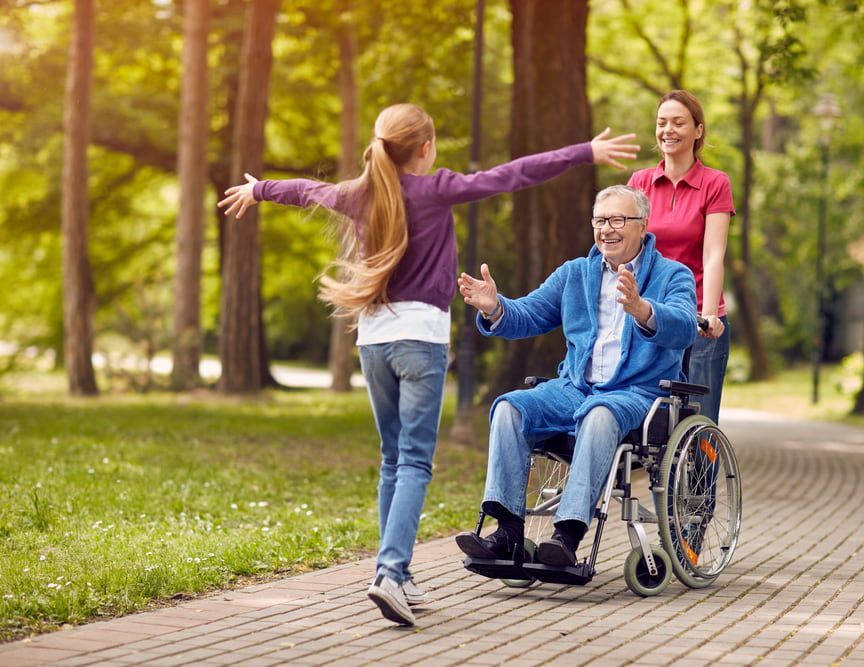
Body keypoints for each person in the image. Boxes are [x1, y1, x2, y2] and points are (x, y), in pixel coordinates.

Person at [217, 103, 640, 626]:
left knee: (392, 459)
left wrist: (260, 189)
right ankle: (391, 574)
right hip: (419, 342)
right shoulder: (435, 188)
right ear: (425, 148)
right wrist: (586, 152)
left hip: (373, 342)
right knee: (414, 461)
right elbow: (510, 176)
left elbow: (307, 190)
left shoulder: (360, 192)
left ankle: (400, 574)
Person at [454, 185, 697, 567]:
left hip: (635, 393)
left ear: (642, 226)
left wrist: (642, 309)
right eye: (600, 220)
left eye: (618, 220)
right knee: (509, 409)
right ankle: (507, 532)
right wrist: (495, 308)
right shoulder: (575, 274)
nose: (607, 229)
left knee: (599, 413)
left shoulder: (672, 275)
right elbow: (529, 315)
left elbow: (685, 328)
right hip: (574, 388)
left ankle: (566, 537)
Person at [627, 90, 735, 425]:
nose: (668, 130)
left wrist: (707, 315)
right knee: (646, 420)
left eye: (678, 122)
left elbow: (714, 254)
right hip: (652, 315)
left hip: (700, 317)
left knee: (699, 420)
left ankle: (702, 479)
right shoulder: (640, 182)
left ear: (698, 130)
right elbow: (627, 252)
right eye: (662, 123)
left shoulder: (715, 183)